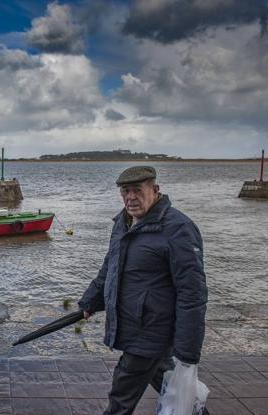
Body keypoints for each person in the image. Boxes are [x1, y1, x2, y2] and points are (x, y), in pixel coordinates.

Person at [78, 166, 208, 415]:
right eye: (125, 191)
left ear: (155, 190)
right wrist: (91, 301)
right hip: (135, 327)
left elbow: (192, 293)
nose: (131, 198)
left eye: (138, 191)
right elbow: (110, 267)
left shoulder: (178, 228)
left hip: (150, 330)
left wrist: (188, 352)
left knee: (121, 395)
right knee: (176, 390)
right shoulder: (123, 223)